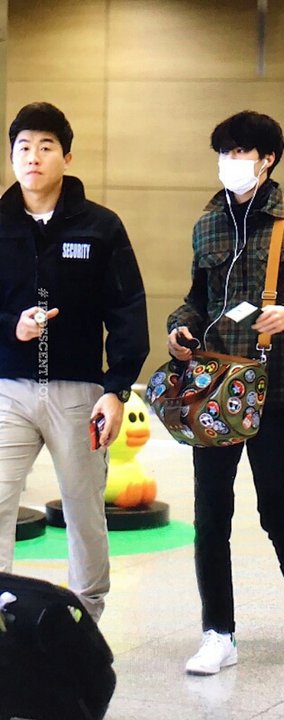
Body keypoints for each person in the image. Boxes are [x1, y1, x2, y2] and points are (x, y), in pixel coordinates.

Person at [167, 110, 284, 675]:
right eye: (224, 152)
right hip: (213, 388)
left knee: (276, 508)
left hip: (278, 387)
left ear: (267, 159)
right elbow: (197, 299)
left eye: (241, 152)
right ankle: (218, 633)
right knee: (210, 515)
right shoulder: (207, 225)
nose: (230, 162)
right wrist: (180, 327)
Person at [0, 102, 149, 622]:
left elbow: (127, 308)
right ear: (11, 156)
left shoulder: (100, 227)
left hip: (79, 393)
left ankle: (87, 614)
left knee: (84, 508)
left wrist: (116, 388)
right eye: (23, 147)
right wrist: (12, 326)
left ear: (66, 156)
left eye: (45, 147)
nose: (33, 157)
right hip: (8, 389)